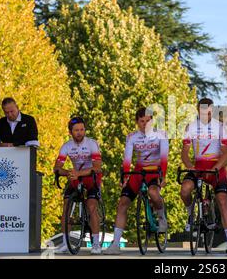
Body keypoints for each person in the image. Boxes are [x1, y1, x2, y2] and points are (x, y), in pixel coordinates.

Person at [104, 108, 169, 255]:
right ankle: (115, 244)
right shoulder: (132, 137)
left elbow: (164, 158)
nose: (145, 124)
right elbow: (127, 159)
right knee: (122, 203)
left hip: (155, 170)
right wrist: (125, 177)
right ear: (137, 122)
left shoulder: (161, 135)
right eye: (142, 121)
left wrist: (162, 177)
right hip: (139, 171)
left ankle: (161, 217)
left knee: (153, 192)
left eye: (148, 120)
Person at [180, 98, 227, 255]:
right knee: (184, 190)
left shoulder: (220, 127)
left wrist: (216, 168)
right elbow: (184, 152)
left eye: (209, 112)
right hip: (198, 168)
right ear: (198, 111)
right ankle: (191, 213)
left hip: (216, 168)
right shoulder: (190, 127)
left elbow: (226, 153)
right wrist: (189, 166)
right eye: (203, 112)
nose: (206, 115)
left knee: (222, 201)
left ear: (212, 111)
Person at [53, 117, 103, 255]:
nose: (80, 133)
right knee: (66, 206)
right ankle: (65, 242)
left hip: (91, 177)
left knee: (91, 206)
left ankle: (96, 244)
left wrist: (78, 173)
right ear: (70, 132)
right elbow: (57, 168)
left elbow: (97, 167)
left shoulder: (92, 144)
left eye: (82, 129)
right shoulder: (67, 146)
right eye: (76, 130)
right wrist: (67, 172)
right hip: (76, 177)